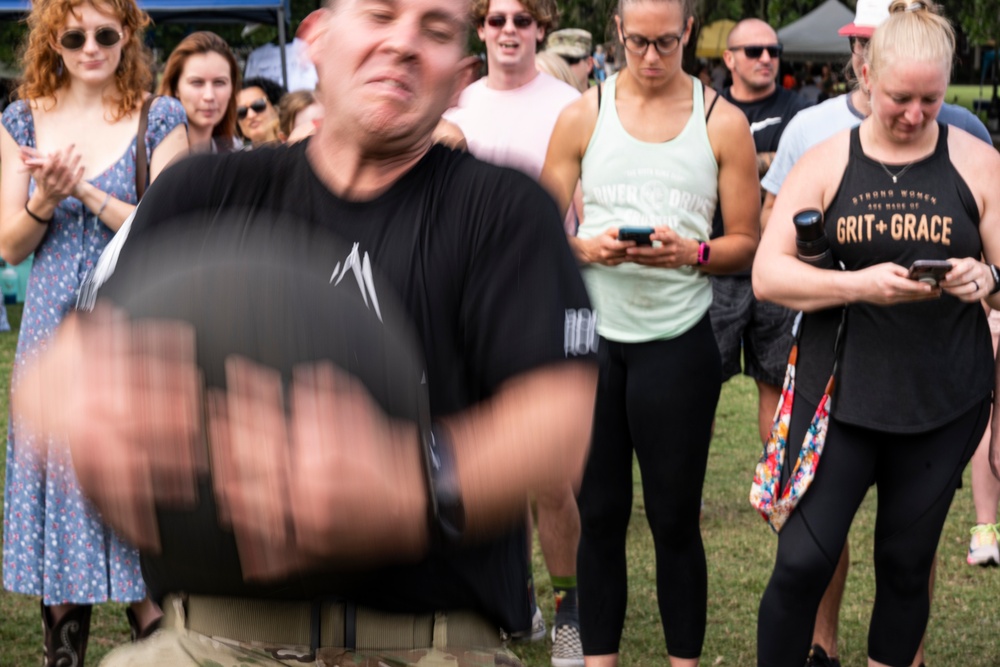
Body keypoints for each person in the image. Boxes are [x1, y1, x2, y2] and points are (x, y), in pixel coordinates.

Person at [12, 0, 598, 666]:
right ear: (315, 39)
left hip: (427, 641)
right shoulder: (197, 194)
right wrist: (91, 408)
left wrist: (408, 480)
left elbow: (558, 419)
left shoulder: (504, 211)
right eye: (380, 15)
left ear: (459, 75)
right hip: (210, 637)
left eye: (434, 30)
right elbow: (58, 371)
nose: (404, 43)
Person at [752, 2, 1000, 666]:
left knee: (904, 562)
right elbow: (767, 275)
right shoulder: (829, 159)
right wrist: (860, 285)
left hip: (941, 400)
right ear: (866, 71)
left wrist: (987, 277)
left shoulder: (977, 164)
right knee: (803, 559)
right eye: (899, 98)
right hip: (841, 396)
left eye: (930, 98)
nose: (916, 114)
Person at [540, 0, 759, 663]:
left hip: (679, 340)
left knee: (674, 521)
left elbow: (746, 244)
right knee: (599, 518)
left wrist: (689, 253)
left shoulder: (724, 122)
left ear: (689, 31)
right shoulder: (584, 112)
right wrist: (588, 247)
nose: (653, 56)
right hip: (597, 343)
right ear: (618, 32)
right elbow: (541, 231)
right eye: (638, 42)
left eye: (667, 42)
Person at [0, 0, 188, 663]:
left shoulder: (158, 117)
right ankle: (64, 649)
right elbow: (10, 245)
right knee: (60, 486)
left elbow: (168, 229)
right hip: (51, 335)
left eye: (105, 33)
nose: (89, 46)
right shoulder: (20, 119)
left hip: (132, 331)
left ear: (128, 35)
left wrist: (85, 189)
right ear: (52, 40)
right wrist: (44, 200)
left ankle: (161, 640)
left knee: (130, 487)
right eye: (73, 34)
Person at [444, 2, 585, 665]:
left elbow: (586, 209)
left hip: (542, 300)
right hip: (464, 305)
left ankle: (569, 614)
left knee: (552, 480)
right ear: (481, 27)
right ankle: (504, 599)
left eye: (522, 19)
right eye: (496, 18)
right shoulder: (456, 104)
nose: (508, 30)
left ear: (540, 29)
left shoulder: (570, 104)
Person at [710, 18, 809, 446]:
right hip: (717, 267)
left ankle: (775, 492)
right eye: (755, 51)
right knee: (701, 387)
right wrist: (771, 160)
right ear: (729, 59)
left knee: (775, 384)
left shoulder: (800, 111)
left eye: (774, 49)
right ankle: (686, 491)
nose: (767, 58)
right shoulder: (709, 108)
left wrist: (733, 160)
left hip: (778, 266)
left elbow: (803, 170)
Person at [158, 31, 242, 153]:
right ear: (176, 88)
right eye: (197, 83)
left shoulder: (235, 156)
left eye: (219, 82)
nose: (209, 96)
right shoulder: (148, 157)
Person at [236, 76, 285, 147]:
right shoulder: (236, 157)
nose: (250, 115)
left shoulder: (299, 150)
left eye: (258, 105)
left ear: (276, 108)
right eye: (241, 111)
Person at [546, 28, 593, 93]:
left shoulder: (604, 101)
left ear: (588, 64)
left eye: (571, 60)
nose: (563, 67)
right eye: (556, 61)